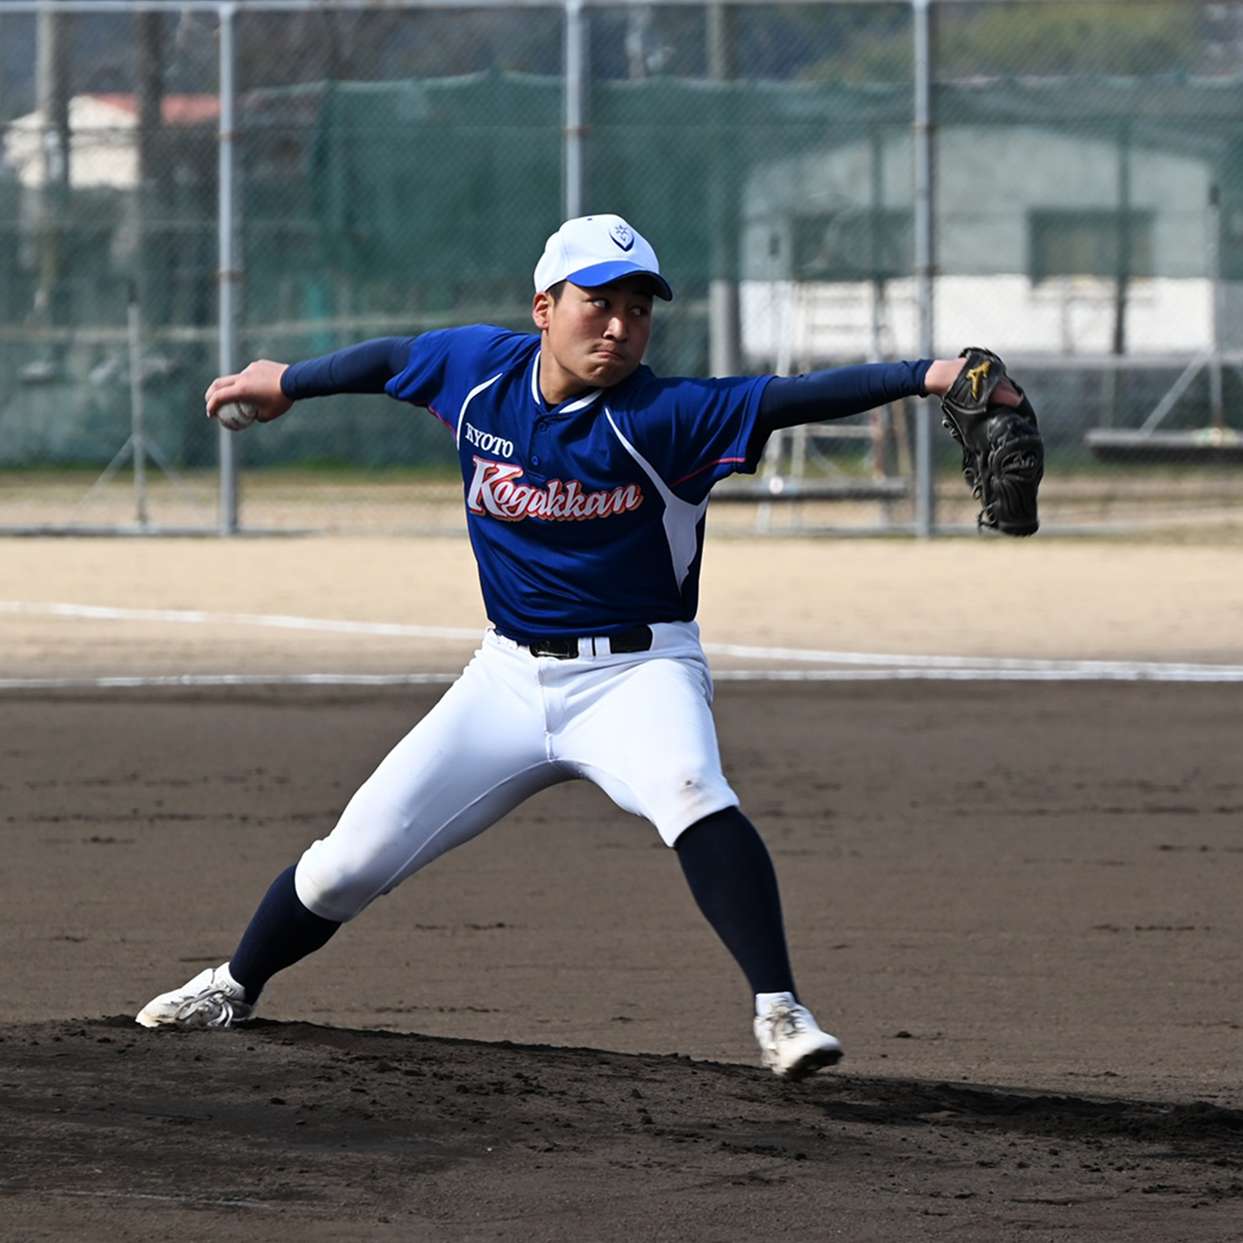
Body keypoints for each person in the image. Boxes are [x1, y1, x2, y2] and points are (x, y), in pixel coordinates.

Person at [136, 214, 1023, 1081]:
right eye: (597, 302)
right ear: (544, 308)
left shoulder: (667, 414)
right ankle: (232, 985)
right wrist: (288, 380)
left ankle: (779, 1009)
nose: (619, 326)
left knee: (691, 790)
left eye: (637, 309)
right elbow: (389, 360)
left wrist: (931, 374)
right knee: (343, 866)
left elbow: (795, 395)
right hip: (504, 679)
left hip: (639, 672)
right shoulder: (475, 372)